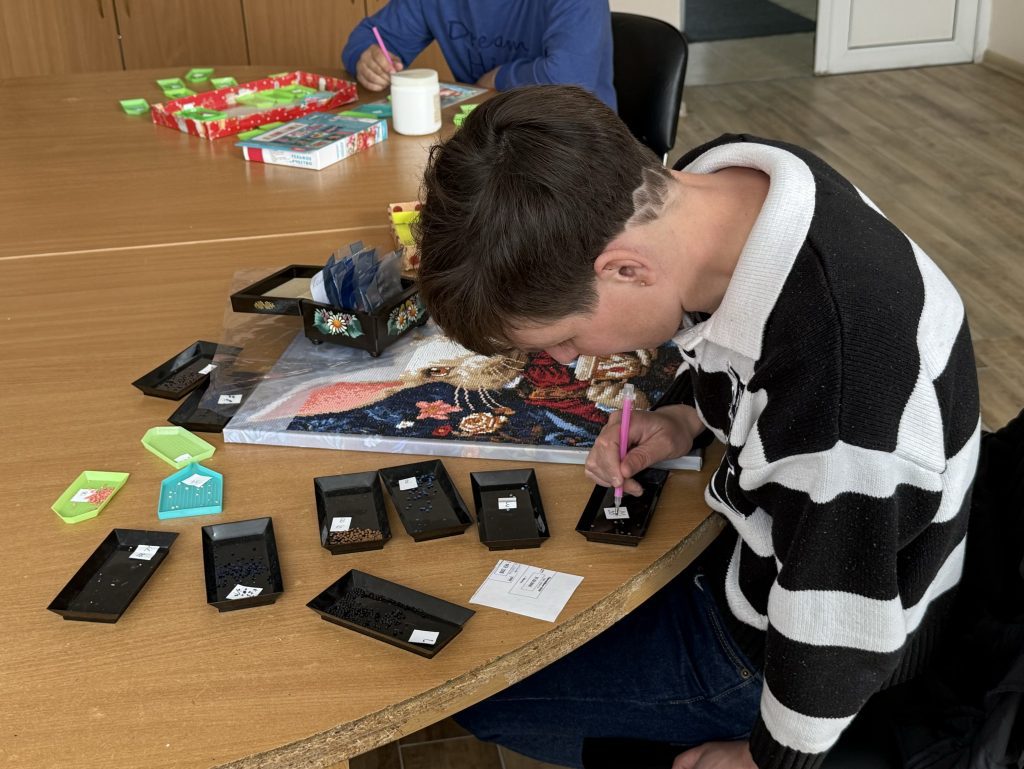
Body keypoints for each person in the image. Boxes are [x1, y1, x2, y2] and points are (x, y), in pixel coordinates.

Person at [414, 85, 981, 769]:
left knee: (470, 689)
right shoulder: (719, 185)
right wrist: (686, 416)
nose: (565, 362)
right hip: (783, 544)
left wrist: (767, 758)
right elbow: (737, 347)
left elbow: (841, 623)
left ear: (626, 269)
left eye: (563, 338)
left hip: (806, 653)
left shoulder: (842, 384)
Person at [340, 0, 617, 109]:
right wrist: (366, 59)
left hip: (578, 138)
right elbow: (369, 37)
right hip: (491, 137)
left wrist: (498, 78)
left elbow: (569, 80)